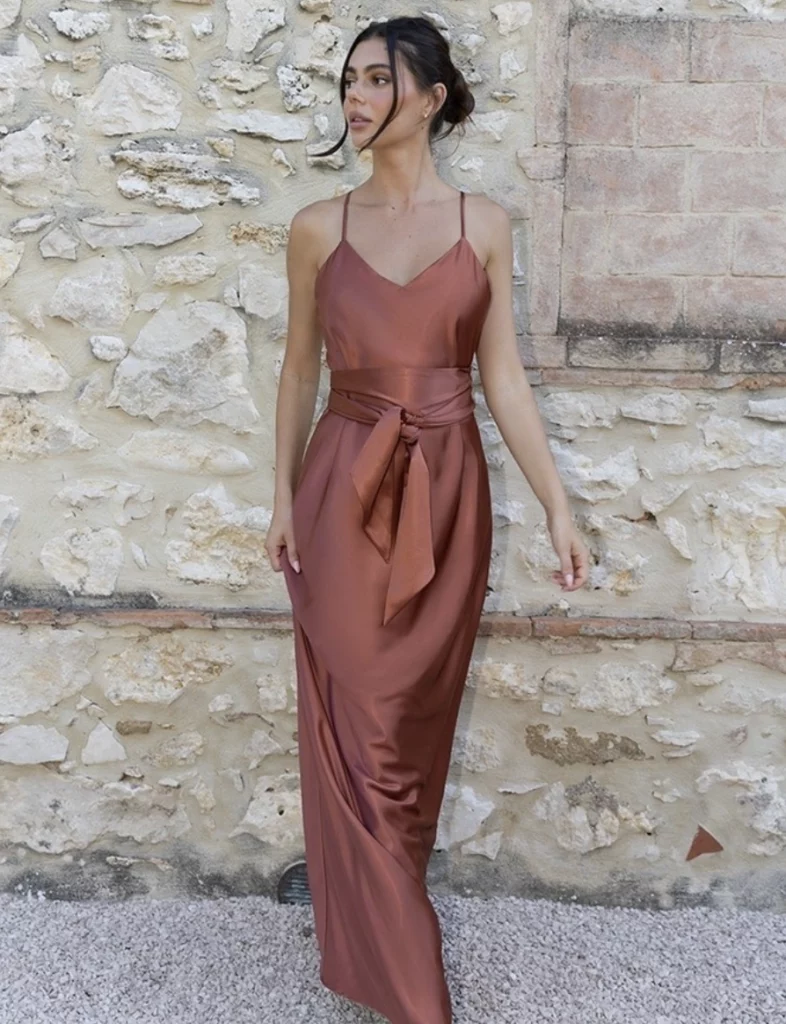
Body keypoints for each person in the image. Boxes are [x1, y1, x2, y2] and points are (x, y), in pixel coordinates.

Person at [264, 14, 590, 1024]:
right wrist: (280, 496)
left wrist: (559, 510)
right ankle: (410, 987)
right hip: (340, 491)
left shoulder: (483, 224)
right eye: (348, 80)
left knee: (409, 727)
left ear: (434, 97)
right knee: (352, 720)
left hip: (448, 497)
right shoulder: (319, 225)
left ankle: (379, 937)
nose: (355, 98)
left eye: (375, 80)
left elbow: (504, 382)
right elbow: (298, 371)